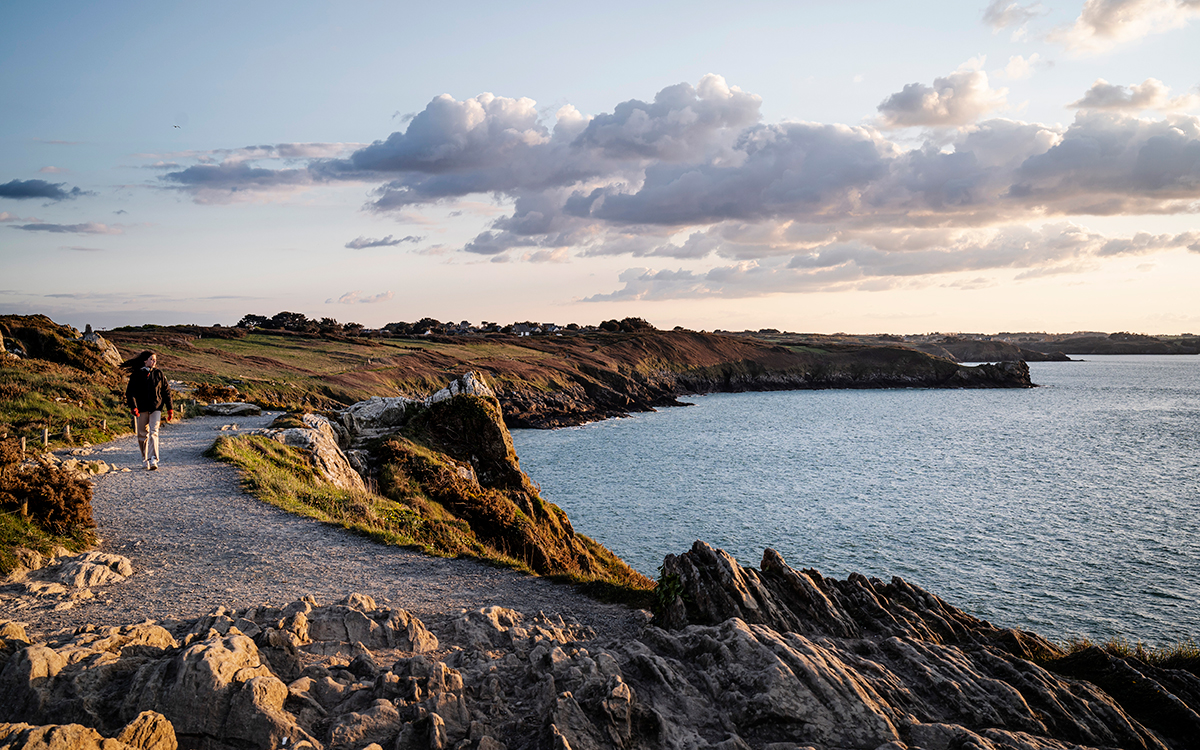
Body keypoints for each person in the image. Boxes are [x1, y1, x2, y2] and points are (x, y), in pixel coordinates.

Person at [121, 350, 173, 470]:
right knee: (142, 434)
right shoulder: (136, 374)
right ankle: (145, 459)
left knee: (154, 432)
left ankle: (153, 459)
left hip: (156, 408)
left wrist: (170, 409)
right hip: (142, 408)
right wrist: (133, 407)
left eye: (155, 359)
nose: (154, 361)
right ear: (145, 361)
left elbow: (166, 392)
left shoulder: (159, 374)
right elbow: (130, 392)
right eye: (151, 359)